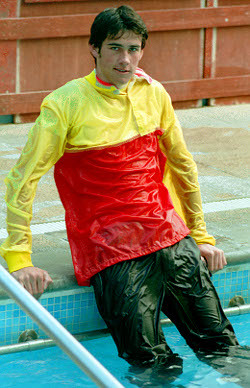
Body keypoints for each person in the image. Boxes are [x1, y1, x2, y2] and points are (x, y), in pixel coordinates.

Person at [0, 4, 240, 378]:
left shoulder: (154, 92)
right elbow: (22, 179)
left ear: (142, 50)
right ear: (93, 48)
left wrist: (201, 235)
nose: (125, 60)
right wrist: (19, 259)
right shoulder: (65, 103)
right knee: (151, 364)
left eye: (133, 49)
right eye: (115, 48)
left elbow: (182, 166)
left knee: (223, 346)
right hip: (110, 246)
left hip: (169, 236)